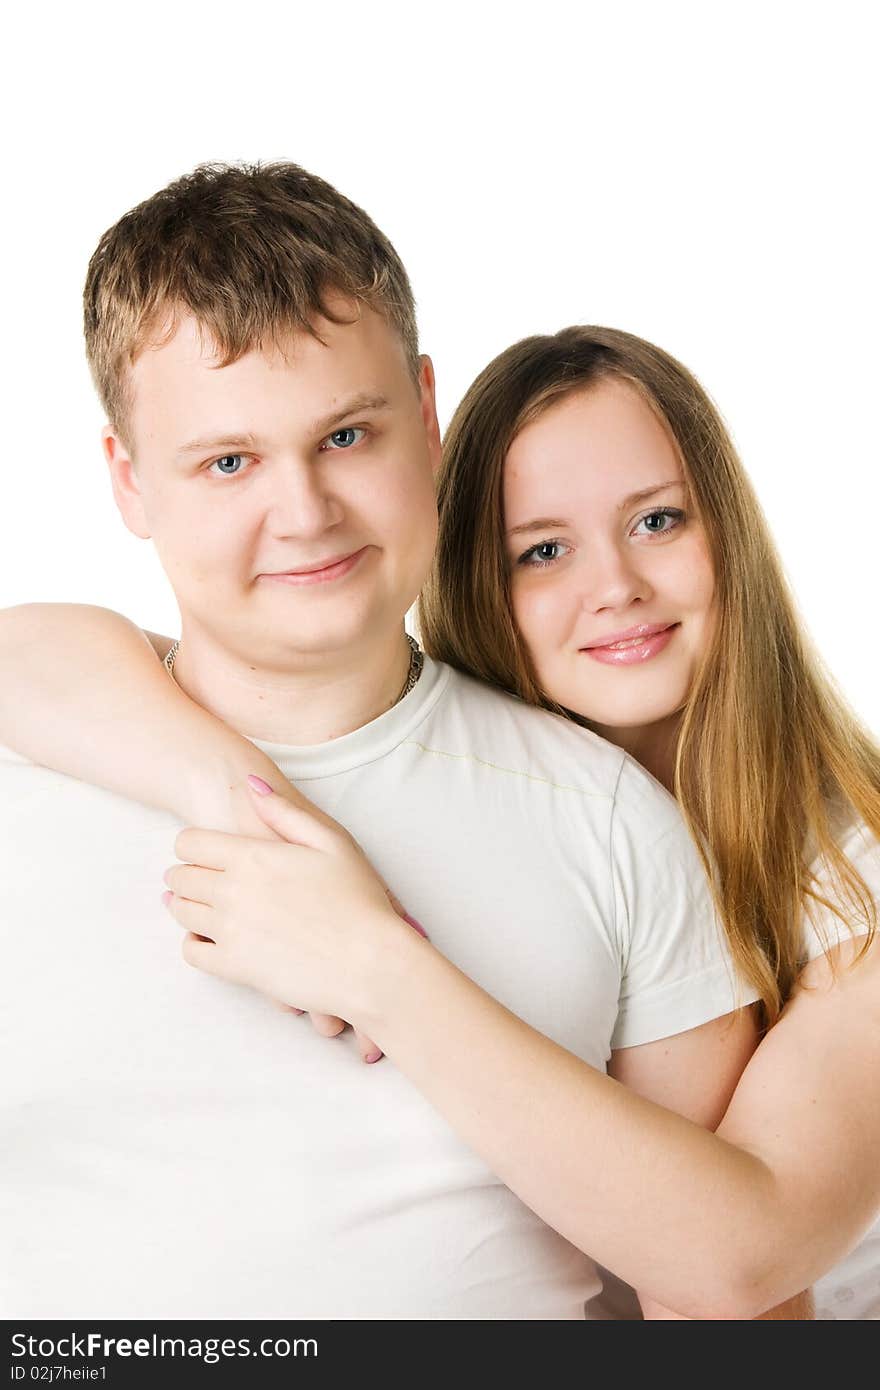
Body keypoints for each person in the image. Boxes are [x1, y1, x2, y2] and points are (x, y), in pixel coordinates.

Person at [0, 165, 781, 1321]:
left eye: (347, 435)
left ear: (424, 415)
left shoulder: (612, 817)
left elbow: (727, 1303)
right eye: (229, 461)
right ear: (127, 481)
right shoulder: (31, 771)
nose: (306, 511)